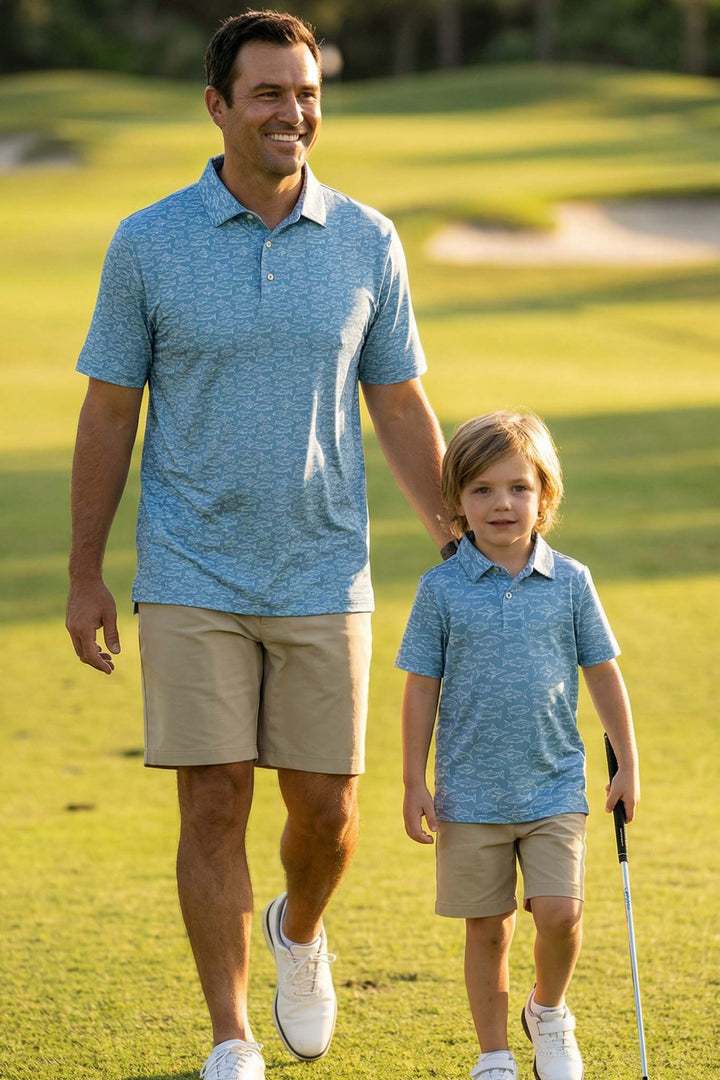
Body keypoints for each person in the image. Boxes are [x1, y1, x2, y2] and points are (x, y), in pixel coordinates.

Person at [65, 11, 454, 1080]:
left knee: (327, 815)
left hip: (326, 569)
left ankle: (297, 929)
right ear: (218, 105)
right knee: (213, 797)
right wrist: (85, 570)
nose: (295, 113)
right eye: (271, 93)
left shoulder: (368, 239)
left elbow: (401, 402)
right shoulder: (149, 241)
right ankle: (231, 1035)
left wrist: (455, 539)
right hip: (192, 565)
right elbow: (109, 412)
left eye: (307, 93)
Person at [396, 411, 640, 1080]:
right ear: (456, 505)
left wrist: (628, 761)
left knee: (559, 914)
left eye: (517, 488)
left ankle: (550, 1010)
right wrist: (414, 781)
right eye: (480, 490)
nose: (501, 504)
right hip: (469, 791)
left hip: (554, 782)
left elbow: (603, 672)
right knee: (489, 927)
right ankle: (495, 1054)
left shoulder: (571, 583)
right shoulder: (440, 590)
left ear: (544, 497)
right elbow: (420, 689)